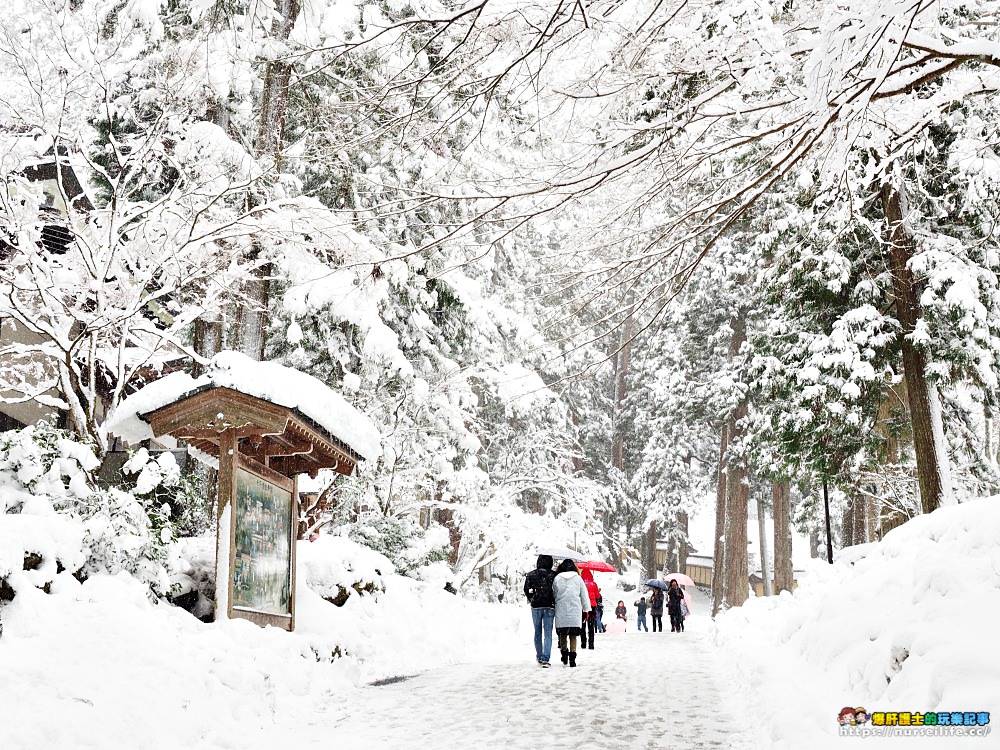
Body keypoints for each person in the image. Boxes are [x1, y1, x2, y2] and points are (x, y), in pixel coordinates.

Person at [552, 558, 591, 667]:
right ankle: (572, 657)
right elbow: (584, 595)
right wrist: (586, 609)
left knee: (563, 633)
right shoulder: (578, 579)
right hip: (575, 609)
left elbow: (554, 593)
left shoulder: (557, 578)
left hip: (561, 609)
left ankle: (564, 654)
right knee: (573, 635)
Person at [523, 554, 556, 667]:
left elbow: (526, 589)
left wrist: (532, 598)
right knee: (548, 633)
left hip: (536, 606)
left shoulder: (531, 575)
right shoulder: (554, 575)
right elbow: (557, 589)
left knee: (537, 632)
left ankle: (539, 654)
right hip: (550, 606)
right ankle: (545, 657)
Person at [579, 568, 600, 649]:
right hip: (592, 606)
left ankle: (583, 643)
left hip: (583, 606)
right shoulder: (594, 584)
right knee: (591, 626)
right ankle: (591, 644)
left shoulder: (581, 584)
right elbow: (598, 596)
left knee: (582, 625)